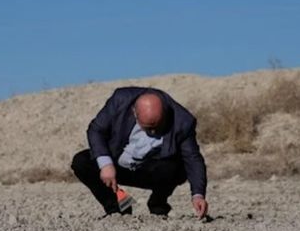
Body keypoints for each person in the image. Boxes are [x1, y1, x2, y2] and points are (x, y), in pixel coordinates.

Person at [71, 87, 209, 218]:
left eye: (157, 127)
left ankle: (158, 205)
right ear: (134, 113)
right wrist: (106, 164)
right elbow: (96, 130)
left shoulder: (183, 121)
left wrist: (198, 195)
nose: (153, 132)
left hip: (151, 170)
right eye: (148, 128)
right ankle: (118, 207)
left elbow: (193, 158)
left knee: (178, 168)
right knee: (81, 162)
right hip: (116, 165)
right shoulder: (120, 100)